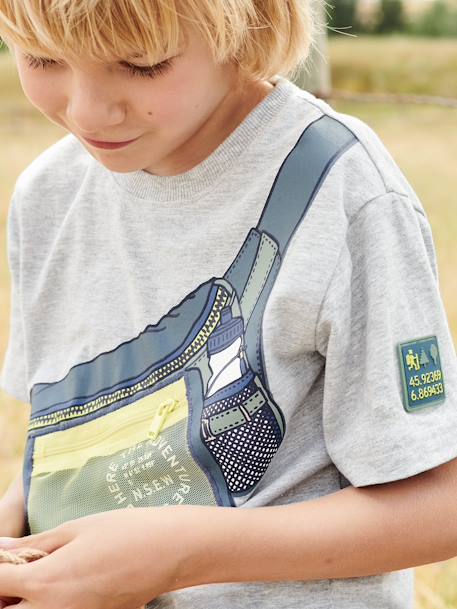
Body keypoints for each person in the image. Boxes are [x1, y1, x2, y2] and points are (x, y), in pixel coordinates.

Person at [0, 1, 456, 609]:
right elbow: (64, 447)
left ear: (250, 22)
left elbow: (438, 502)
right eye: (43, 58)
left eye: (142, 64)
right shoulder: (45, 196)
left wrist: (185, 551)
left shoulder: (339, 189)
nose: (86, 110)